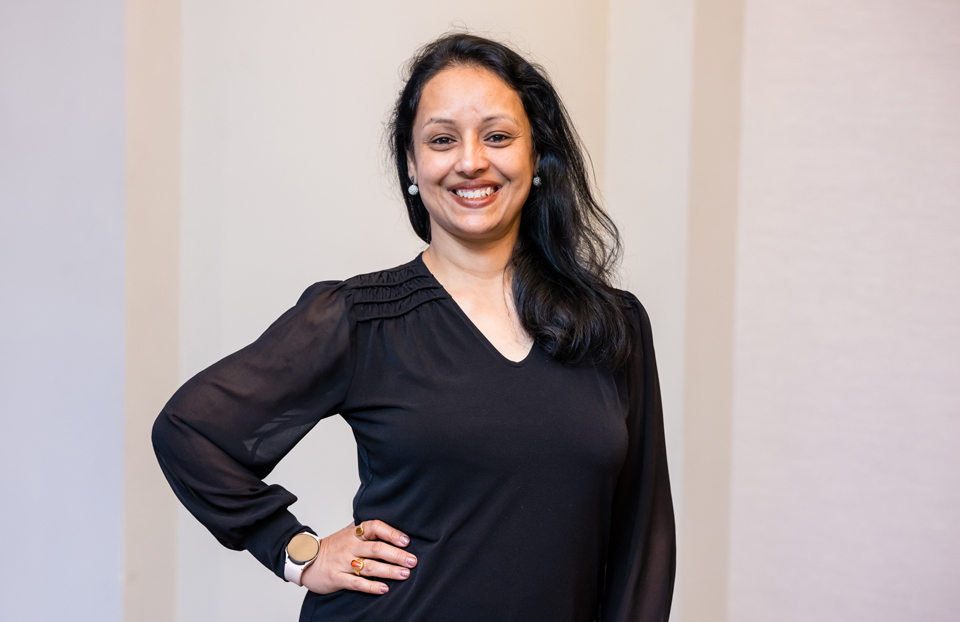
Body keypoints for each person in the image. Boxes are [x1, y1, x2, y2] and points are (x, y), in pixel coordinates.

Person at [153, 32, 676, 622]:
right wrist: (296, 551)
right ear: (412, 162)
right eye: (442, 139)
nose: (471, 160)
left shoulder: (612, 326)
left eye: (498, 136)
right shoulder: (358, 319)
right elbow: (188, 430)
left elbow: (644, 537)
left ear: (537, 157)